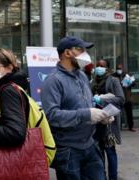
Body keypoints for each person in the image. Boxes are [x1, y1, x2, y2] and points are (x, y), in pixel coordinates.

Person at [41, 36, 112, 180]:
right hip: (68, 149)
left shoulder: (82, 76)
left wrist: (101, 116)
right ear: (67, 53)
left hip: (90, 144)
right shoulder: (53, 80)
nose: (86, 54)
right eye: (81, 50)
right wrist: (86, 114)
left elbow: (87, 104)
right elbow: (51, 116)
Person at [91, 59, 124, 180]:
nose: (99, 68)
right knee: (98, 154)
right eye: (98, 65)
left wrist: (102, 100)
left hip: (109, 122)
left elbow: (121, 99)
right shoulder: (93, 81)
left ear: (107, 68)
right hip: (96, 122)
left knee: (110, 152)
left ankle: (113, 178)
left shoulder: (113, 80)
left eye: (102, 66)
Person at [112, 64, 136, 132]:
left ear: (123, 69)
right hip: (118, 97)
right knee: (118, 113)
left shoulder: (127, 75)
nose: (119, 70)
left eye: (120, 68)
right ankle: (118, 127)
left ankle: (131, 127)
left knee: (129, 113)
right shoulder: (114, 76)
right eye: (118, 68)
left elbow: (134, 84)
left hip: (127, 97)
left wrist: (130, 82)